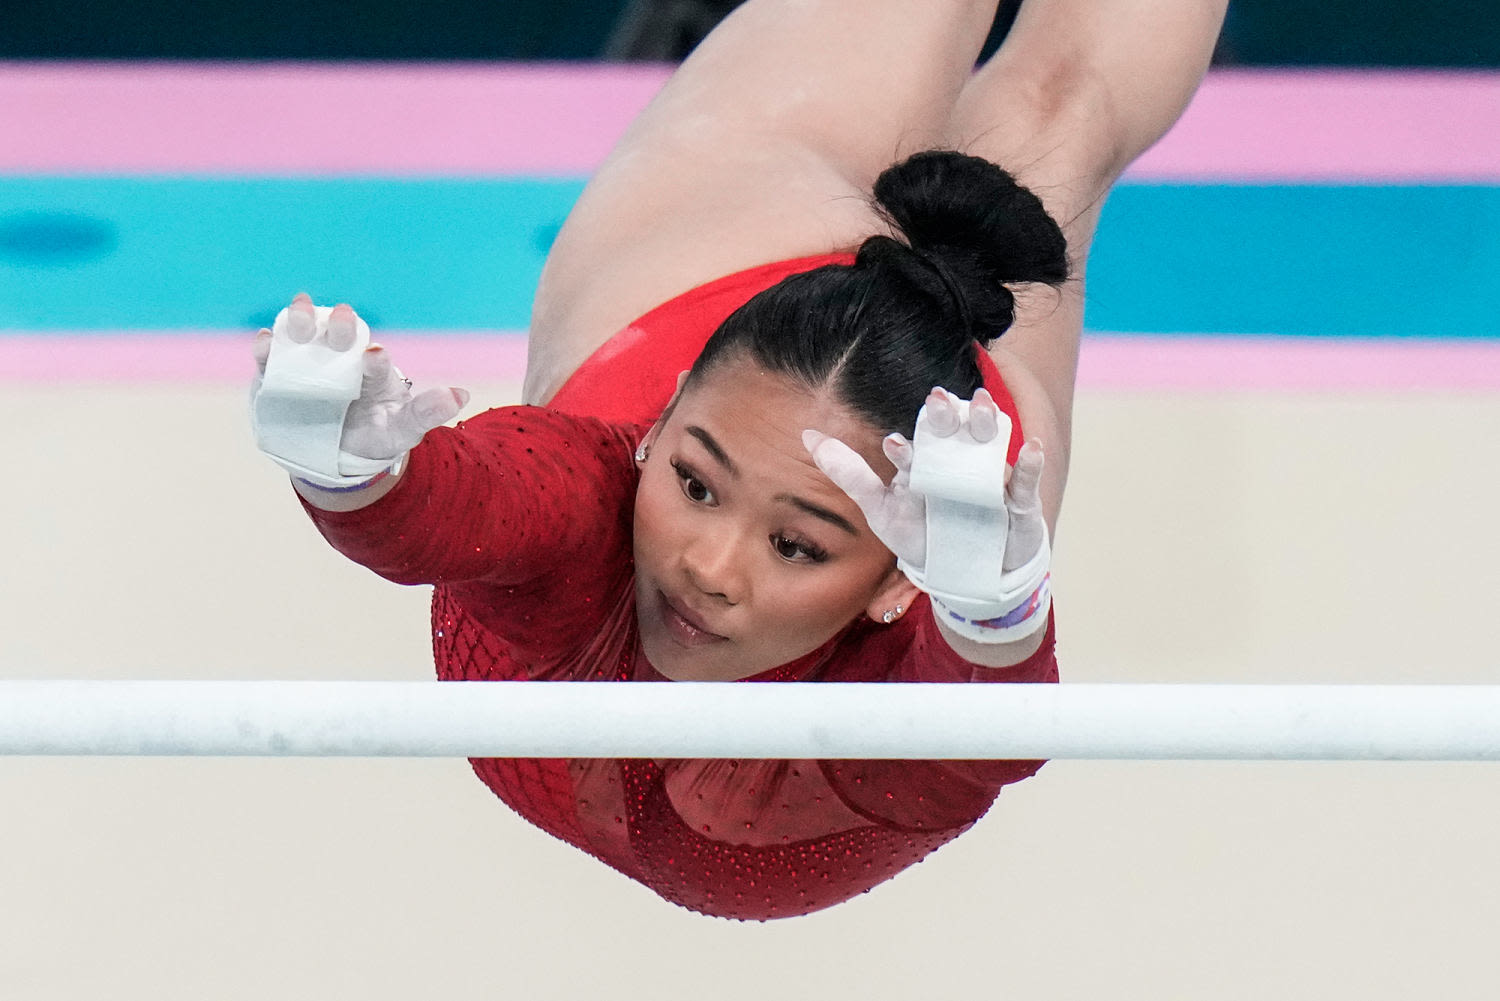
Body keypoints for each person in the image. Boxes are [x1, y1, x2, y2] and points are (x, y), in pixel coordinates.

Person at [251, 0, 1227, 920]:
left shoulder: (934, 608)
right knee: (1058, 114)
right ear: (665, 420)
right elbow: (475, 501)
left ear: (897, 584)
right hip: (710, 262)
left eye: (797, 544)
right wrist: (358, 474)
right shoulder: (592, 501)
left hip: (934, 494)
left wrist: (987, 610)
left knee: (1054, 107)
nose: (707, 566)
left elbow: (974, 747)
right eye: (695, 482)